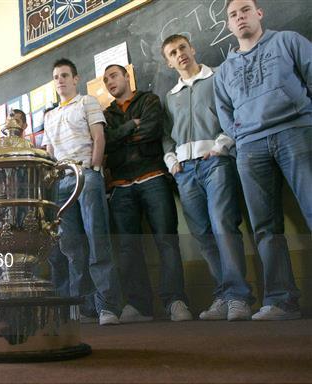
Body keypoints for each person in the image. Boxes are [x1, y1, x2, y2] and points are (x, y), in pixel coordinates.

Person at [214, 0, 312, 320]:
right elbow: (225, 114)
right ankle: (281, 300)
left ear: (259, 13)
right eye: (233, 15)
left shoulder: (289, 41)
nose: (239, 17)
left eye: (245, 10)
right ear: (228, 25)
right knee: (265, 228)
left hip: (295, 132)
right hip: (250, 148)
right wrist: (242, 138)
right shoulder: (224, 70)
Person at [161, 34, 254, 321]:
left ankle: (239, 297)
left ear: (193, 48)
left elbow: (234, 111)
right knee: (202, 234)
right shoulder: (171, 95)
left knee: (223, 225)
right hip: (185, 172)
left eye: (182, 48)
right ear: (169, 62)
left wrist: (220, 146)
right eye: (173, 53)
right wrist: (172, 161)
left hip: (215, 163)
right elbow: (166, 135)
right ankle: (223, 295)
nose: (180, 55)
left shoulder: (217, 77)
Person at [103, 64, 192, 322]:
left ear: (127, 77)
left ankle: (174, 300)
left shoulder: (149, 100)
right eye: (106, 79)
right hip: (120, 185)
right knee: (128, 248)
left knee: (166, 240)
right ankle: (139, 306)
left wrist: (121, 137)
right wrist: (131, 125)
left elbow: (152, 131)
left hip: (153, 176)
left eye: (114, 76)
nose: (110, 81)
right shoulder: (105, 114)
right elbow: (106, 143)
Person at [42, 58, 124, 325]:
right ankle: (83, 307)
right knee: (71, 247)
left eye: (65, 75)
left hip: (85, 176)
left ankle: (107, 307)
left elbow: (98, 137)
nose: (60, 80)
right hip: (61, 183)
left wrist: (95, 168)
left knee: (97, 239)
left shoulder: (87, 102)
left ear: (75, 79)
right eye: (56, 77)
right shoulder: (49, 115)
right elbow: (50, 153)